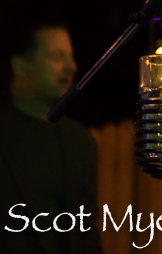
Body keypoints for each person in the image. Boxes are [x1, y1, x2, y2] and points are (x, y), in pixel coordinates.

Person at [0, 20, 103, 254]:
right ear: (21, 66)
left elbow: (86, 231)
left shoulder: (80, 141)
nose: (71, 67)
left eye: (70, 57)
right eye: (57, 57)